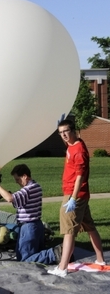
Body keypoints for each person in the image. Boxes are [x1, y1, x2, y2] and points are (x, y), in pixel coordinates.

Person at [48, 119, 106, 278]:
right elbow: (70, 145)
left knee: (69, 231)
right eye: (60, 133)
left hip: (75, 195)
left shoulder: (78, 150)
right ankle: (100, 260)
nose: (63, 135)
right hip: (80, 195)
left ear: (74, 130)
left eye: (66, 131)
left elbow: (80, 176)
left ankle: (62, 267)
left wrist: (72, 198)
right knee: (89, 226)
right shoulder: (74, 144)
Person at [0, 164, 64, 265]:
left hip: (28, 227)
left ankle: (54, 253)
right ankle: (61, 254)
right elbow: (19, 201)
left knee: (24, 259)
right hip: (37, 225)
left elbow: (10, 198)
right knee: (35, 253)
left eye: (18, 179)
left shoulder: (27, 190)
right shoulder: (36, 186)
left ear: (25, 176)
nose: (17, 182)